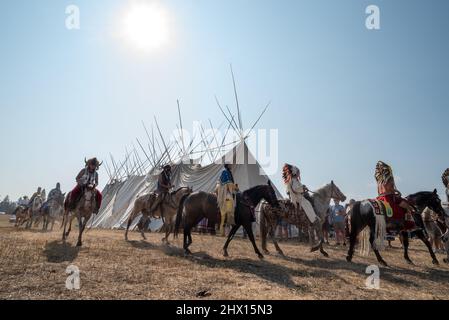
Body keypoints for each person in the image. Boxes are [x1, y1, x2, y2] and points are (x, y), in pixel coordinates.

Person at [375, 161, 415, 227]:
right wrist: (397, 192)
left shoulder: (379, 181)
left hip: (380, 198)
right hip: (389, 197)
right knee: (407, 206)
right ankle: (409, 224)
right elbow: (389, 188)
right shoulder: (389, 179)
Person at [216, 164, 237, 236]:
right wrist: (236, 188)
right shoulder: (225, 172)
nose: (231, 166)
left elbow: (230, 183)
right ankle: (223, 232)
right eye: (230, 165)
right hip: (224, 192)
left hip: (228, 191)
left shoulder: (229, 173)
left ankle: (226, 232)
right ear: (227, 166)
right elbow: (228, 184)